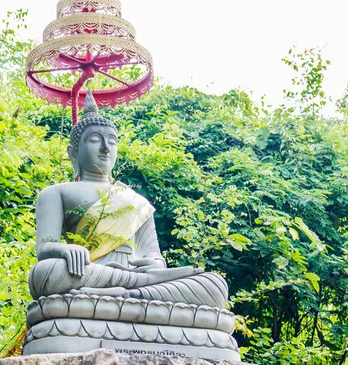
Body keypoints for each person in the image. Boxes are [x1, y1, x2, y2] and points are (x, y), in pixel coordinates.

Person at [29, 91, 228, 308]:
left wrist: (155, 264)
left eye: (112, 142)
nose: (105, 148)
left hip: (133, 276)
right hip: (87, 272)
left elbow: (154, 255)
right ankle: (134, 292)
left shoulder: (135, 200)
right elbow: (45, 249)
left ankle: (125, 293)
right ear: (73, 152)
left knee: (214, 285)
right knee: (46, 273)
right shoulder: (56, 193)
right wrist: (63, 250)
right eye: (95, 140)